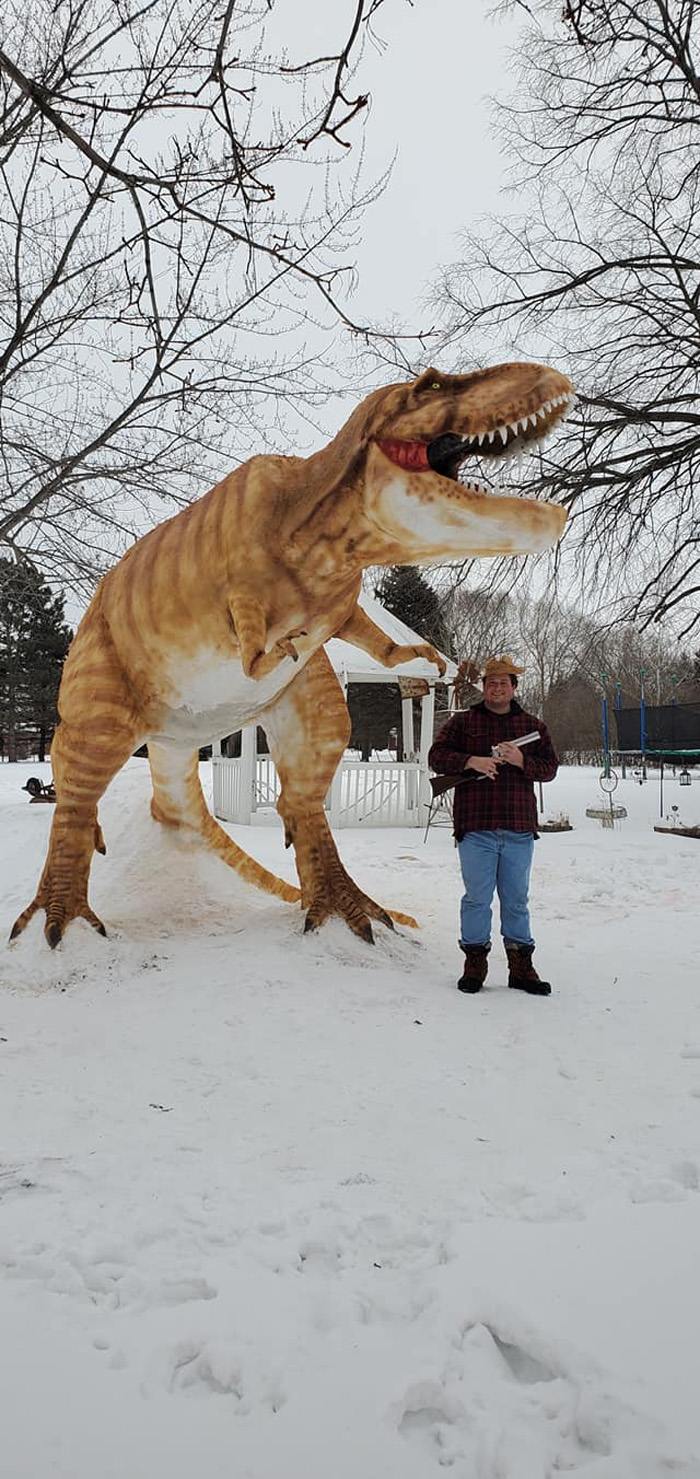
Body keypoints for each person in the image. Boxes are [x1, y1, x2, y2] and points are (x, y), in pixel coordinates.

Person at [428, 655, 558, 996]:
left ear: (514, 688)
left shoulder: (533, 727)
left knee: (516, 900)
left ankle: (521, 968)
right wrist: (473, 761)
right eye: (491, 683)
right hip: (476, 824)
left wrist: (520, 760)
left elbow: (550, 768)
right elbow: (436, 756)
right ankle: (475, 963)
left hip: (518, 825)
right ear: (483, 687)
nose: (496, 688)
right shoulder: (464, 723)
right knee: (476, 899)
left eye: (503, 683)